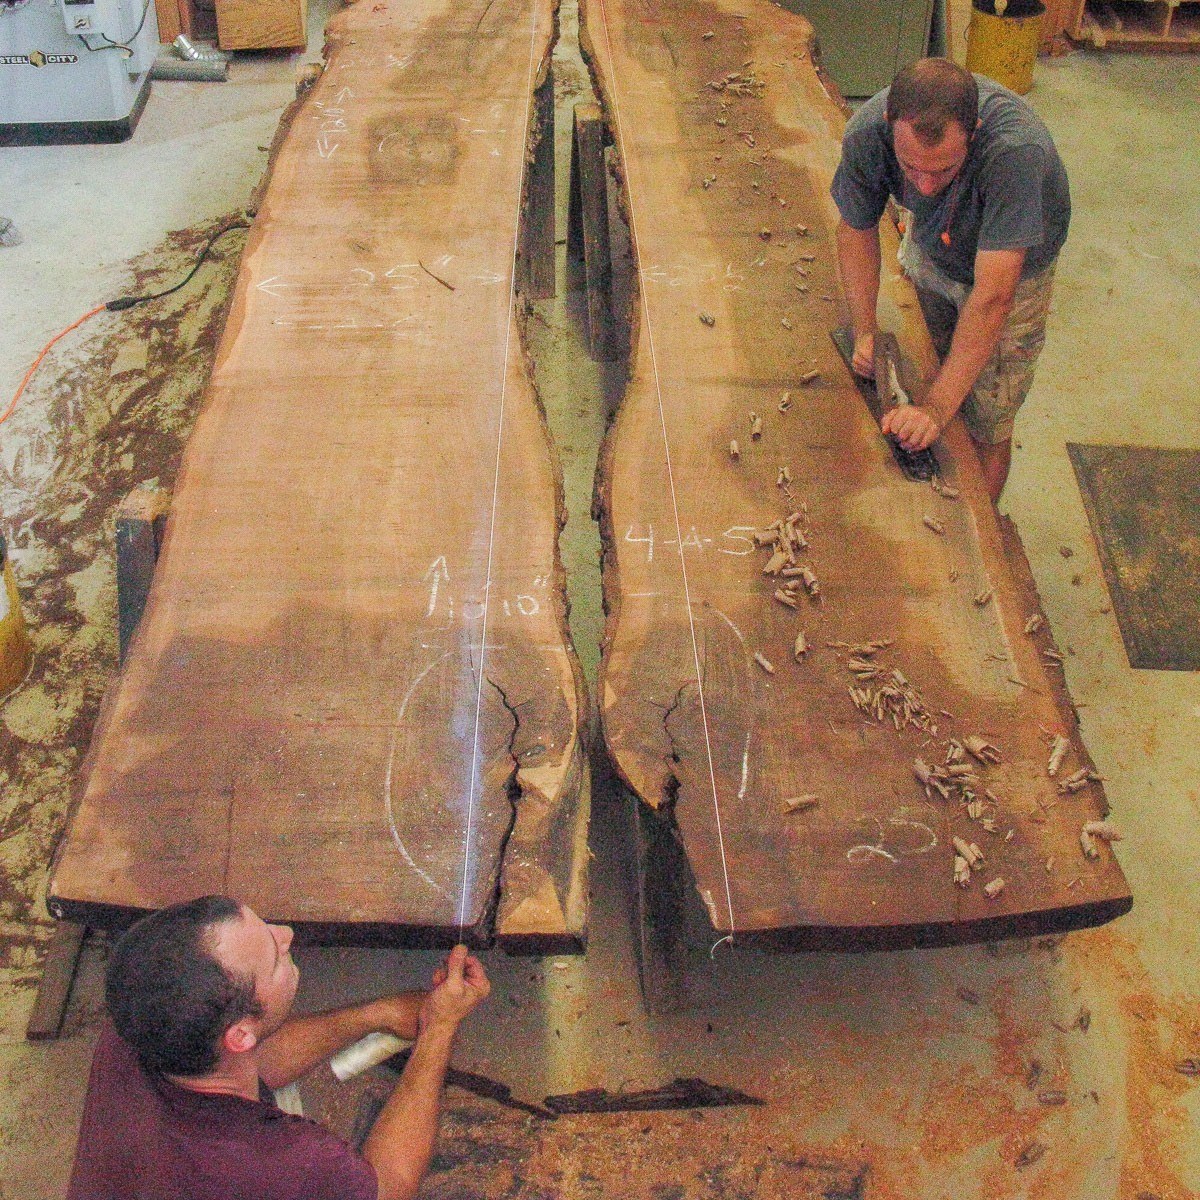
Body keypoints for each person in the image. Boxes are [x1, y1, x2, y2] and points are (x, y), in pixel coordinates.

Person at [66, 895, 490, 1200]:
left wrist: (372, 1015)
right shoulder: (282, 1166)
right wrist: (439, 1027)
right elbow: (390, 1185)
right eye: (273, 956)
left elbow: (252, 1064)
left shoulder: (135, 1028)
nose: (286, 934)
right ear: (241, 1033)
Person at [831, 57, 1070, 501]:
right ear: (889, 123)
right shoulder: (867, 134)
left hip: (1012, 271)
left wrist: (937, 411)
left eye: (941, 170)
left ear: (974, 131)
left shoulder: (1015, 152)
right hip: (935, 241)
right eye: (910, 166)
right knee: (928, 363)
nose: (922, 186)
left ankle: (984, 540)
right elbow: (856, 228)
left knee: (985, 416)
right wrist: (864, 330)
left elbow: (994, 296)